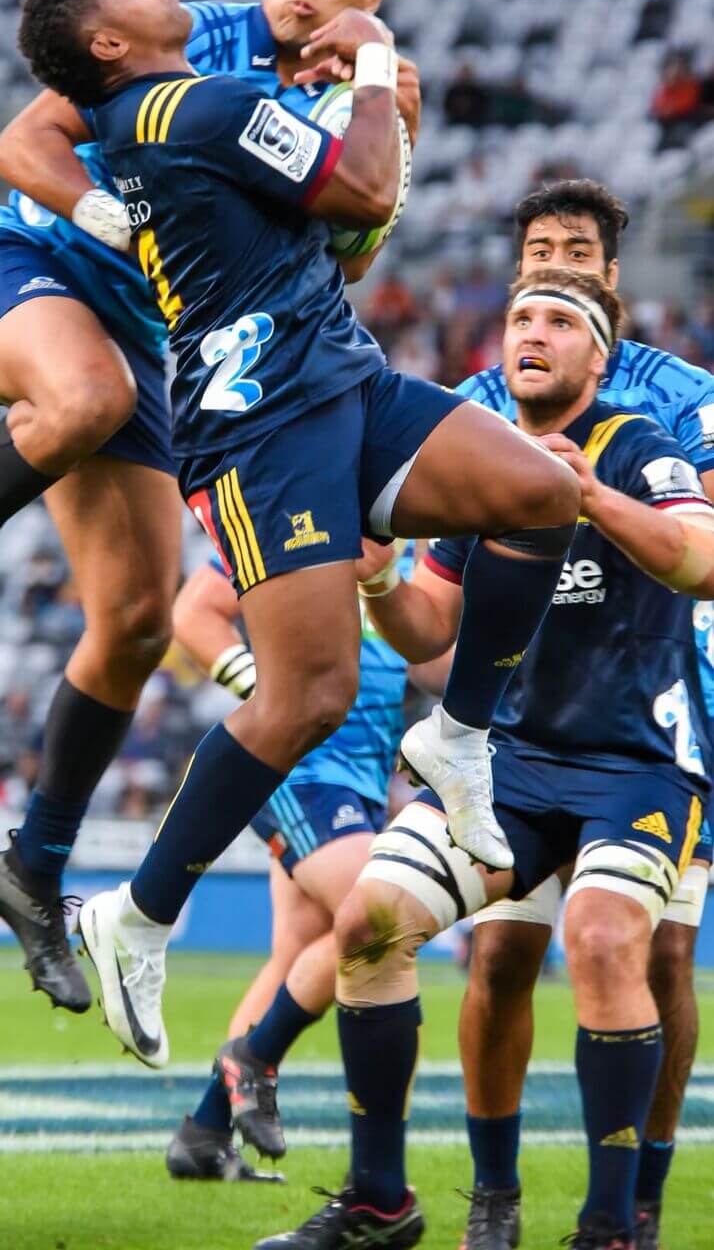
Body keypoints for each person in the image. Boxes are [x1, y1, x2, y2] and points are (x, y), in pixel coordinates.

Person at [15, 0, 580, 1078]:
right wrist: (369, 50)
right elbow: (365, 192)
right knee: (310, 692)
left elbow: (338, 229)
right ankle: (137, 912)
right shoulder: (185, 103)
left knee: (539, 491)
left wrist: (347, 103)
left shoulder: (180, 112)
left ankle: (457, 738)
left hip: (338, 378)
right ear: (110, 46)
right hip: (262, 423)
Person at [0, 0, 418, 1016]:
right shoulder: (206, 33)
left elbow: (344, 260)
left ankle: (32, 868)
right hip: (30, 271)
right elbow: (22, 135)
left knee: (134, 621)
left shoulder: (352, 95)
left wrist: (388, 131)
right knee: (80, 393)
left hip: (148, 349)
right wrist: (103, 213)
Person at [261, 267, 714, 1250]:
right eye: (517, 317)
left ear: (600, 356)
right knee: (370, 924)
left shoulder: (643, 446)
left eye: (559, 320)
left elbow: (702, 557)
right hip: (502, 765)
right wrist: (379, 584)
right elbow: (433, 635)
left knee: (599, 940)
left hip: (633, 762)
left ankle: (609, 1227)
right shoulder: (483, 464)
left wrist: (584, 495)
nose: (532, 333)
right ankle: (380, 1199)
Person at [455, 178, 714, 1250]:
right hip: (524, 715)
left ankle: (635, 1199)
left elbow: (695, 544)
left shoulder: (682, 395)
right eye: (535, 249)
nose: (551, 262)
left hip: (662, 697)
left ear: (611, 274)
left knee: (653, 951)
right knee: (501, 959)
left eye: (575, 250)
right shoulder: (478, 391)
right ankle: (495, 1199)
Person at [165, 549, 425, 1184]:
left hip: (358, 777)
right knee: (384, 917)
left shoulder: (416, 543)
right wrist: (271, 693)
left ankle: (204, 1134)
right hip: (303, 766)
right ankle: (254, 1056)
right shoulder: (300, 510)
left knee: (301, 954)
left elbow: (432, 658)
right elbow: (195, 611)